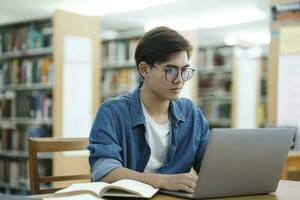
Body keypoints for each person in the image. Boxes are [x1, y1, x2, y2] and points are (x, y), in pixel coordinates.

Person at [88, 26, 209, 193]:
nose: (180, 80)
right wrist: (163, 181)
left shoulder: (191, 113)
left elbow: (210, 167)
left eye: (184, 70)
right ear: (144, 69)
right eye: (170, 70)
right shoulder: (112, 112)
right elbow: (104, 172)